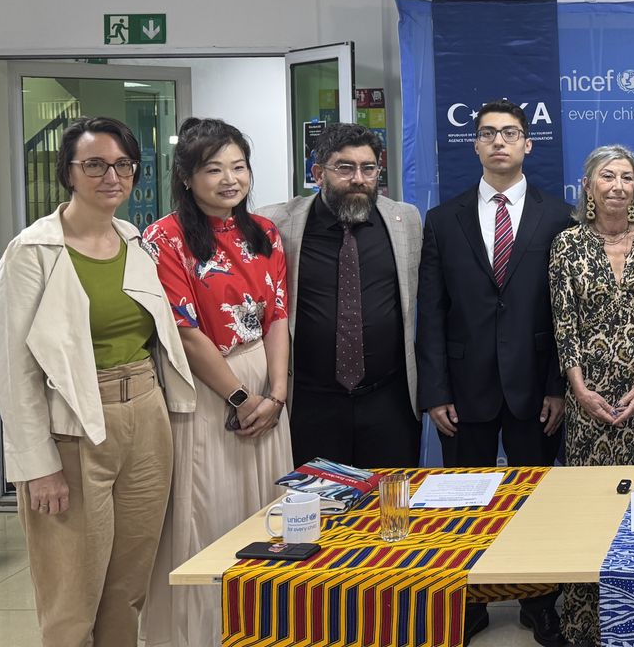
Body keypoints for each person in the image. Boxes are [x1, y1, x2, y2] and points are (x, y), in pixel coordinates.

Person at [0, 117, 195, 647]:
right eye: (95, 165)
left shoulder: (133, 239)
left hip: (146, 419)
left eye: (123, 165)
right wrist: (38, 467)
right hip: (74, 428)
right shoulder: (32, 252)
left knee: (127, 589)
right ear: (68, 172)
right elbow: (15, 373)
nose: (111, 176)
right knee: (72, 597)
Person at [418, 98, 573, 645]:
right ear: (476, 145)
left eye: (509, 133)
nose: (499, 142)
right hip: (464, 389)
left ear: (527, 144)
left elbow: (565, 313)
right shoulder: (444, 219)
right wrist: (435, 391)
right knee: (463, 505)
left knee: (536, 500)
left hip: (536, 387)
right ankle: (472, 603)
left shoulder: (559, 216)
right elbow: (431, 311)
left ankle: (539, 603)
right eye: (488, 133)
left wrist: (557, 387)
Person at [143, 118, 293, 647]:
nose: (230, 179)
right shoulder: (164, 238)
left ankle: (265, 631)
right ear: (186, 177)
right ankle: (203, 634)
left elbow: (278, 316)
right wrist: (242, 398)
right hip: (207, 387)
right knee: (208, 514)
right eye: (213, 169)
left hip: (267, 384)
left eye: (239, 167)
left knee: (268, 516)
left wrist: (277, 395)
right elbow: (184, 332)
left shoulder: (265, 232)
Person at [549, 144, 634, 646]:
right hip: (589, 402)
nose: (618, 186)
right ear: (588, 186)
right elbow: (564, 325)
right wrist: (579, 388)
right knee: (590, 513)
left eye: (627, 177)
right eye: (608, 176)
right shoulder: (567, 245)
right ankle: (587, 622)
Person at [257, 123, 423, 468]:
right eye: (345, 168)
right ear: (319, 174)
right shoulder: (276, 223)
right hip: (310, 404)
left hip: (388, 403)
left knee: (389, 498)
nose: (359, 179)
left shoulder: (405, 220)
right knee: (314, 499)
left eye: (369, 168)